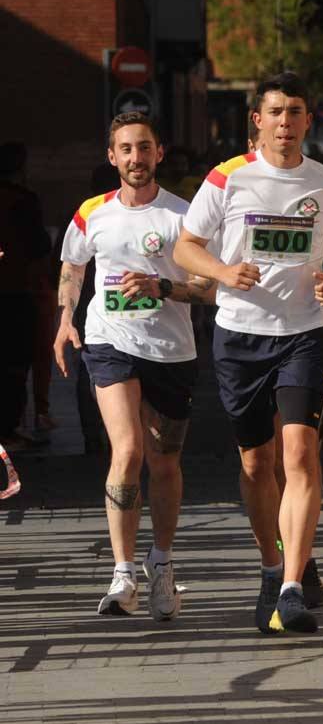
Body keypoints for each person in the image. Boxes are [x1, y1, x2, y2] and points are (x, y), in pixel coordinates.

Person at [174, 72, 323, 634]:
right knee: (257, 463)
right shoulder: (228, 178)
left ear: (308, 119)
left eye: (295, 111)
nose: (285, 122)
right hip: (241, 334)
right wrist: (225, 271)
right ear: (258, 120)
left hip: (307, 332)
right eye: (275, 112)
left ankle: (293, 587)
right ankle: (271, 565)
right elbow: (186, 247)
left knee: (300, 455)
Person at [52, 112, 216, 619]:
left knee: (163, 462)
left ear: (159, 153)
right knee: (125, 451)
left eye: (144, 148)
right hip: (109, 343)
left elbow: (209, 290)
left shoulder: (184, 218)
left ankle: (161, 565)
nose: (135, 158)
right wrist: (66, 319)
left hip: (170, 351)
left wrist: (162, 287)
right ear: (112, 156)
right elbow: (73, 266)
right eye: (126, 149)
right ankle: (123, 573)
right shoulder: (92, 213)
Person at [0, 141, 52, 448]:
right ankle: (7, 428)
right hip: (15, 289)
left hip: (14, 287)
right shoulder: (22, 200)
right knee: (15, 363)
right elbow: (38, 247)